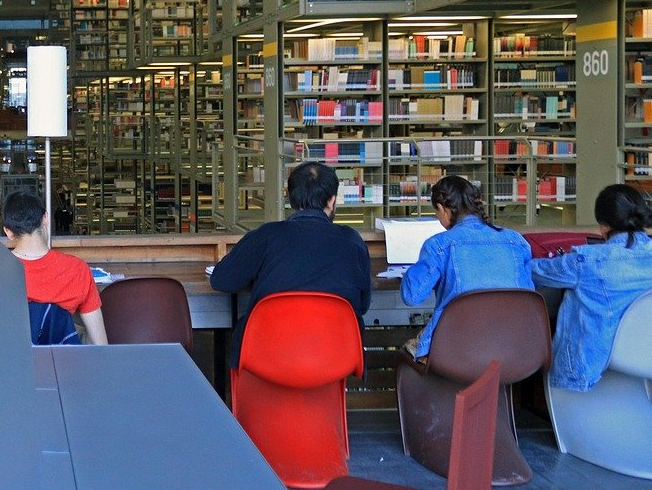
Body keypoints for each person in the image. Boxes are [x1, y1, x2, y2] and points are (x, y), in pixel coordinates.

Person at [210, 161, 371, 366]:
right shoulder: (352, 241)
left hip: (266, 357)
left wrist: (260, 279)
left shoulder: (266, 235)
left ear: (290, 198)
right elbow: (363, 305)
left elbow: (221, 280)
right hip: (335, 358)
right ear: (332, 201)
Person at [533, 183, 652, 391]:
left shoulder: (586, 261)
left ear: (604, 227)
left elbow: (534, 271)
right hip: (644, 363)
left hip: (591, 368)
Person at [400, 175, 533, 359]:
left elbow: (411, 296)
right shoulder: (517, 241)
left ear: (442, 208)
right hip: (512, 349)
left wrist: (416, 267)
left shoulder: (439, 245)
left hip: (457, 351)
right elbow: (527, 294)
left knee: (404, 355)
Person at [1, 190, 108, 344]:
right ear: (45, 218)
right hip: (64, 363)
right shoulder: (77, 269)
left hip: (11, 364)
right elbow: (100, 344)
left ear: (8, 231)